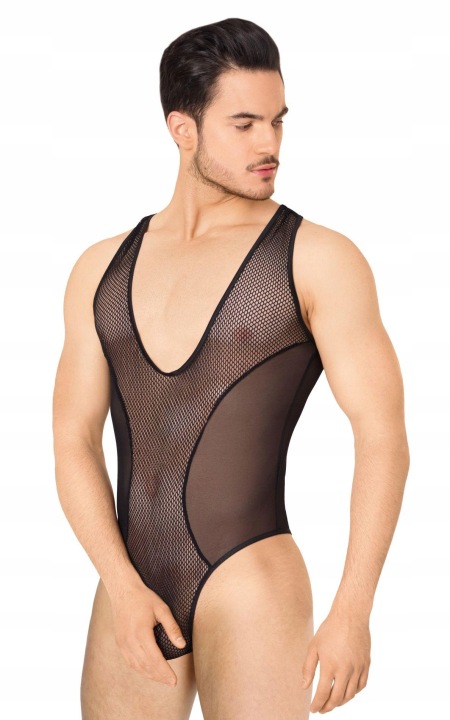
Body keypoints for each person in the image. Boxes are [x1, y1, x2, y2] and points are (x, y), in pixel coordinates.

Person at [52, 17, 410, 720]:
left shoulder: (316, 258)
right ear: (182, 129)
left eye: (277, 121)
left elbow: (382, 436)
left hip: (252, 581)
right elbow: (71, 439)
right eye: (243, 124)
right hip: (130, 585)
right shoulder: (100, 268)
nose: (269, 144)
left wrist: (353, 609)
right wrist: (120, 585)